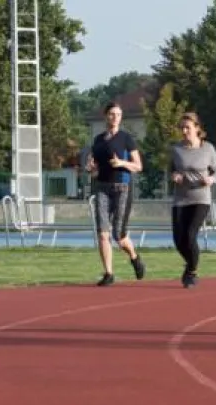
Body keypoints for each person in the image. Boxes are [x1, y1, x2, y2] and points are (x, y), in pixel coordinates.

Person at [87, 102, 146, 287]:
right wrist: (91, 168)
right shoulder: (98, 140)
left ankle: (135, 258)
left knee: (119, 236)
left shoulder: (126, 139)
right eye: (112, 114)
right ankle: (108, 273)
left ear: (121, 118)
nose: (115, 118)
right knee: (103, 233)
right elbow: (94, 167)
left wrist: (121, 163)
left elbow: (138, 166)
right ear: (106, 116)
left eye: (118, 114)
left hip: (122, 188)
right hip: (102, 188)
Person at [168, 112, 216, 288]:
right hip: (181, 199)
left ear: (197, 129)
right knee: (178, 239)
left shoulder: (208, 149)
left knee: (190, 235)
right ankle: (191, 262)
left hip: (201, 199)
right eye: (182, 128)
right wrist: (174, 175)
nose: (184, 131)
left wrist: (212, 180)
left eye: (187, 127)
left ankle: (192, 271)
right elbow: (172, 169)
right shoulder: (176, 149)